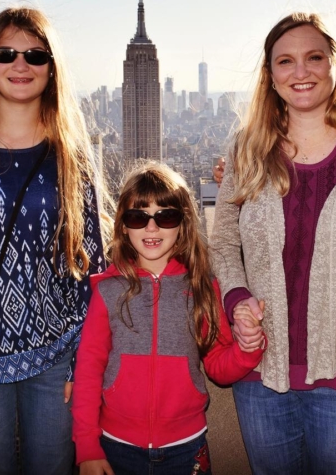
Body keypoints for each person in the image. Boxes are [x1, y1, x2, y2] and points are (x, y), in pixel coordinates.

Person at [210, 13, 336, 475]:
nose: (301, 72)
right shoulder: (246, 150)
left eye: (314, 58)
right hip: (263, 373)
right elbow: (224, 240)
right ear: (270, 76)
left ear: (335, 65)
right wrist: (236, 297)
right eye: (285, 62)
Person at [0, 7, 108, 474]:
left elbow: (94, 269)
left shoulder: (71, 157)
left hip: (56, 359)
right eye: (6, 53)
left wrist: (83, 367)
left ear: (52, 68)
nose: (20, 65)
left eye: (35, 54)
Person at [71, 161, 266, 475]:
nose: (152, 228)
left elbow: (217, 362)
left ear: (183, 223)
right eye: (138, 217)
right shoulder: (107, 291)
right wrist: (87, 446)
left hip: (186, 446)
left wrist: (247, 349)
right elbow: (89, 372)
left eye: (166, 216)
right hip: (114, 445)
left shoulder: (202, 287)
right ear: (123, 225)